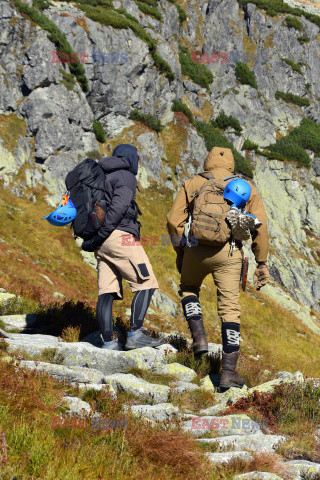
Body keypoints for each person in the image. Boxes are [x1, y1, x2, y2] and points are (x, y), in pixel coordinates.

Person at [166, 146, 270, 388]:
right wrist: (261, 262)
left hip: (194, 249)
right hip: (230, 252)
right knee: (229, 310)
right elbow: (261, 227)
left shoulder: (193, 183)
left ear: (207, 162)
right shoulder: (247, 186)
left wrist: (180, 249)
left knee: (189, 288)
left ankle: (199, 338)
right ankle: (228, 372)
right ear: (232, 164)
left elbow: (173, 221)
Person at [82, 144, 165, 351]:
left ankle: (108, 342)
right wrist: (104, 234)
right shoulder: (125, 175)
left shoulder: (103, 175)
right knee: (147, 282)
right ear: (130, 157)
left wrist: (97, 239)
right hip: (119, 236)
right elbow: (118, 209)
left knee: (107, 291)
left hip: (101, 245)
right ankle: (136, 334)